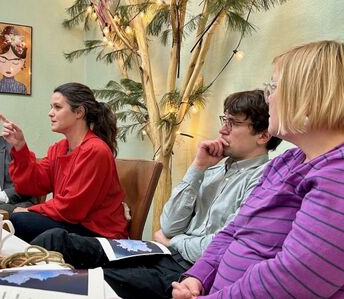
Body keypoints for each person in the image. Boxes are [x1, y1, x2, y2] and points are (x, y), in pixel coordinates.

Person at [31, 89, 281, 299]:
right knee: (55, 239)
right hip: (160, 252)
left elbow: (219, 246)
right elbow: (169, 223)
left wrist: (173, 241)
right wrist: (198, 167)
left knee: (93, 282)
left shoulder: (263, 180)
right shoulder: (213, 169)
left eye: (233, 123)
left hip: (189, 271)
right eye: (223, 119)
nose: (222, 129)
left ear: (263, 135)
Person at [171, 40, 344, 299]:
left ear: (308, 95)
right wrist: (198, 276)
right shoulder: (284, 163)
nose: (268, 97)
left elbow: (293, 278)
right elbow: (234, 230)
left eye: (273, 87)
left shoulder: (336, 175)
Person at [0, 82, 128, 243]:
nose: (50, 113)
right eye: (51, 107)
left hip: (99, 233)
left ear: (79, 112)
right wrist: (20, 147)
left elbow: (72, 208)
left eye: (57, 107)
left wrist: (30, 210)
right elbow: (31, 185)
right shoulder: (59, 148)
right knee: (18, 219)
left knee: (20, 221)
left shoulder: (95, 150)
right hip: (74, 222)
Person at [0, 25, 28, 94]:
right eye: (2, 60)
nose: (9, 66)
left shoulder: (22, 88)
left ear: (23, 62)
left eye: (15, 62)